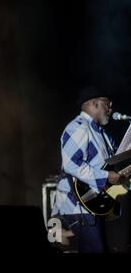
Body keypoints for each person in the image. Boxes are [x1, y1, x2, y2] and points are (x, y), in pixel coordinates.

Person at [51, 86, 127, 253]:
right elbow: (72, 165)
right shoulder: (78, 127)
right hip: (76, 205)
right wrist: (106, 176)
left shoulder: (103, 134)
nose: (111, 108)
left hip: (92, 205)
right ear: (95, 103)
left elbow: (113, 164)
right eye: (107, 103)